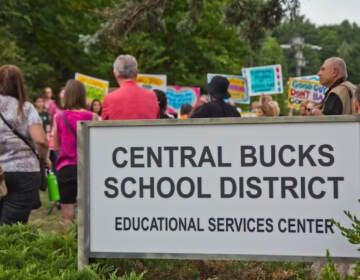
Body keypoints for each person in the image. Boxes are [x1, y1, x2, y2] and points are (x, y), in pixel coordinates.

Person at [0, 65, 50, 225]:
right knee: (12, 229)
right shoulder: (26, 108)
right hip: (25, 172)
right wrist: (45, 159)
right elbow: (41, 140)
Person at [53, 79, 98, 225]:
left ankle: (69, 244)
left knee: (67, 212)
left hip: (66, 167)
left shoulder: (59, 117)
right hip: (88, 168)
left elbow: (56, 146)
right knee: (89, 209)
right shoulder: (92, 116)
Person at [101, 54, 159, 120]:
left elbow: (104, 127)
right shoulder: (152, 96)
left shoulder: (109, 99)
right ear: (137, 73)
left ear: (115, 74)